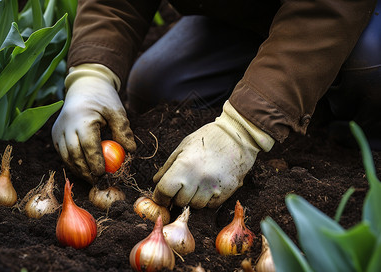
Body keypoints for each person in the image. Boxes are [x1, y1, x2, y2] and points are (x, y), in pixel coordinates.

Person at [52, 0, 380, 209]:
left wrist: (243, 130)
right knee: (160, 86)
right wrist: (92, 73)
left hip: (345, 13)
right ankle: (300, 93)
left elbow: (328, 8)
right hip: (253, 14)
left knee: (369, 65)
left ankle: (367, 153)